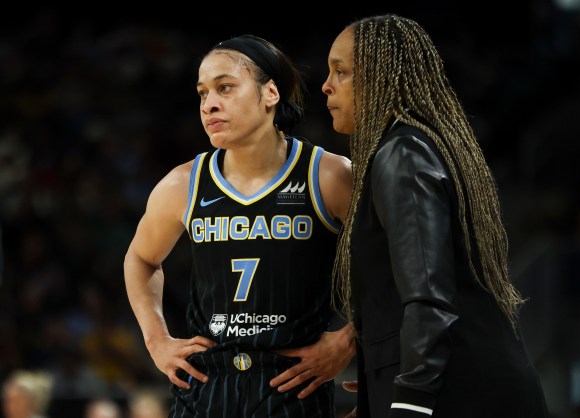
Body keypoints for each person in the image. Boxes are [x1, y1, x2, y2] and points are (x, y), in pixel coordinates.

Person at [322, 14, 549, 418]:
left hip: (465, 393)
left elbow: (429, 300)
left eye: (341, 71)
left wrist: (409, 402)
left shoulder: (402, 155)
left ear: (378, 77)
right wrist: (378, 387)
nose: (326, 85)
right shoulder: (410, 147)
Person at [123, 34, 355, 418]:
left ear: (270, 93)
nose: (209, 104)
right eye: (202, 94)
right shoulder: (183, 184)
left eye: (225, 88)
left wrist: (349, 339)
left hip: (293, 387)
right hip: (204, 388)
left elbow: (392, 269)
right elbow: (140, 258)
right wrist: (156, 339)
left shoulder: (328, 175)